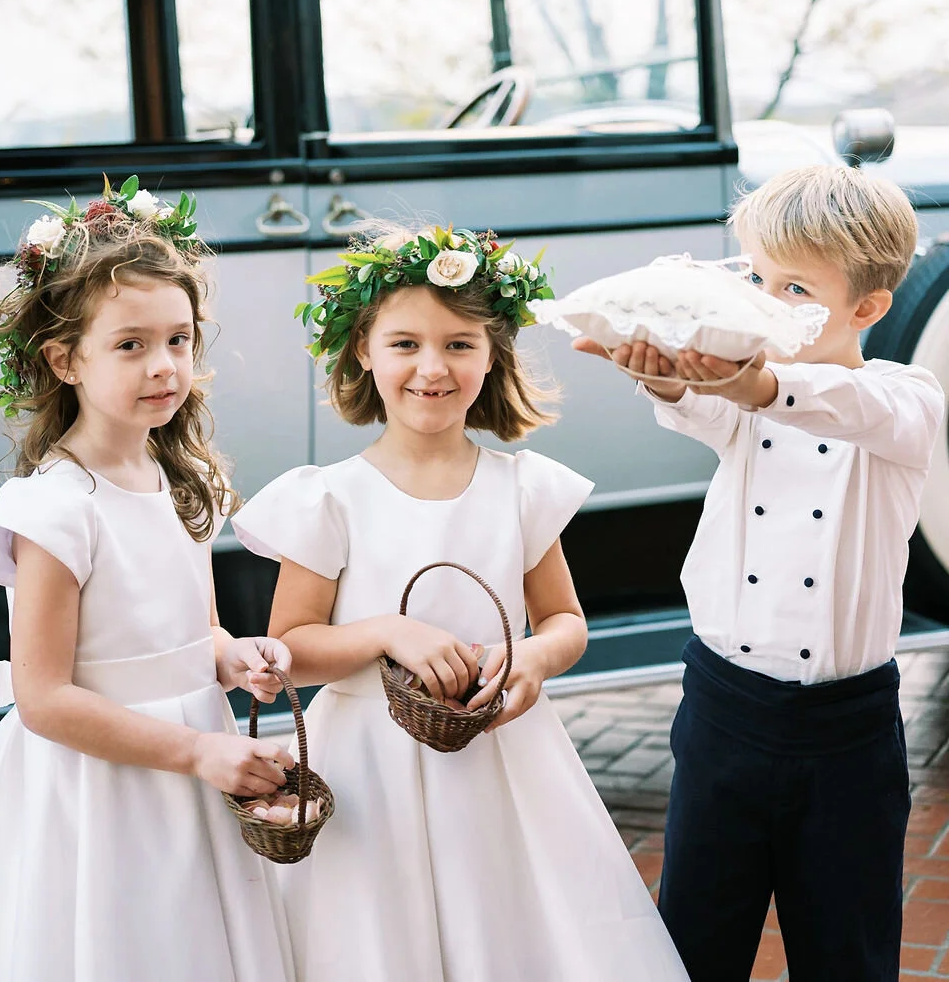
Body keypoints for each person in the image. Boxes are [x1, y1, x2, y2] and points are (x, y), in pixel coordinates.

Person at [232, 224, 690, 982]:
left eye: (459, 343)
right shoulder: (330, 498)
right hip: (369, 772)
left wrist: (531, 658)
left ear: (492, 354)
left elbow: (566, 622)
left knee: (512, 931)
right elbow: (291, 649)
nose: (432, 367)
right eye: (405, 343)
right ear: (362, 353)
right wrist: (387, 630)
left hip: (504, 761)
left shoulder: (521, 487)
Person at [577, 165, 946, 982]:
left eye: (793, 287)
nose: (764, 301)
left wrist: (761, 382)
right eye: (755, 278)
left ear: (868, 307)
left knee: (846, 950)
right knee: (694, 942)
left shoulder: (905, 398)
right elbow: (703, 403)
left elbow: (843, 405)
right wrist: (667, 371)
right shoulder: (743, 398)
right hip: (723, 714)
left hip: (846, 735)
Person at [0, 178, 296, 982]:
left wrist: (235, 658)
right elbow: (44, 696)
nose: (163, 365)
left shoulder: (180, 475)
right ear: (65, 358)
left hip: (193, 768)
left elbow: (196, 632)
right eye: (130, 344)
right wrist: (198, 750)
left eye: (179, 339)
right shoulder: (56, 508)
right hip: (101, 790)